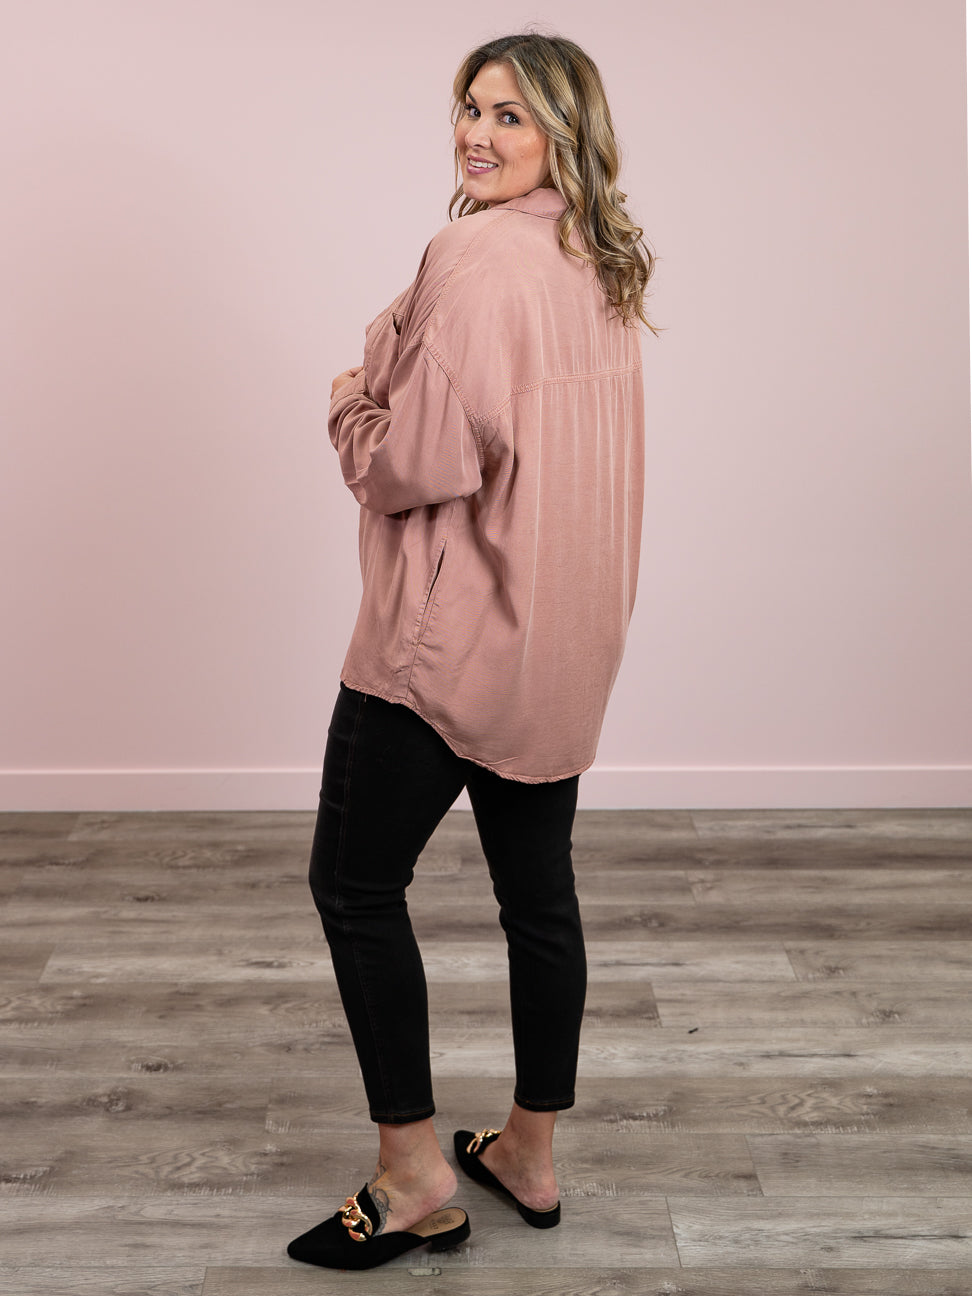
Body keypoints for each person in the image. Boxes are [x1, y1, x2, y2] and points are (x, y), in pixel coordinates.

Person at [286, 30, 656, 1271]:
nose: (476, 135)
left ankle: (411, 1176)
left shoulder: (478, 255)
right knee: (537, 899)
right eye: (470, 107)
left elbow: (414, 463)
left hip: (442, 649)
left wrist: (349, 405)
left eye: (510, 115)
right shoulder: (599, 258)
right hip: (562, 639)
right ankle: (529, 1153)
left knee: (353, 887)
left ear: (564, 133)